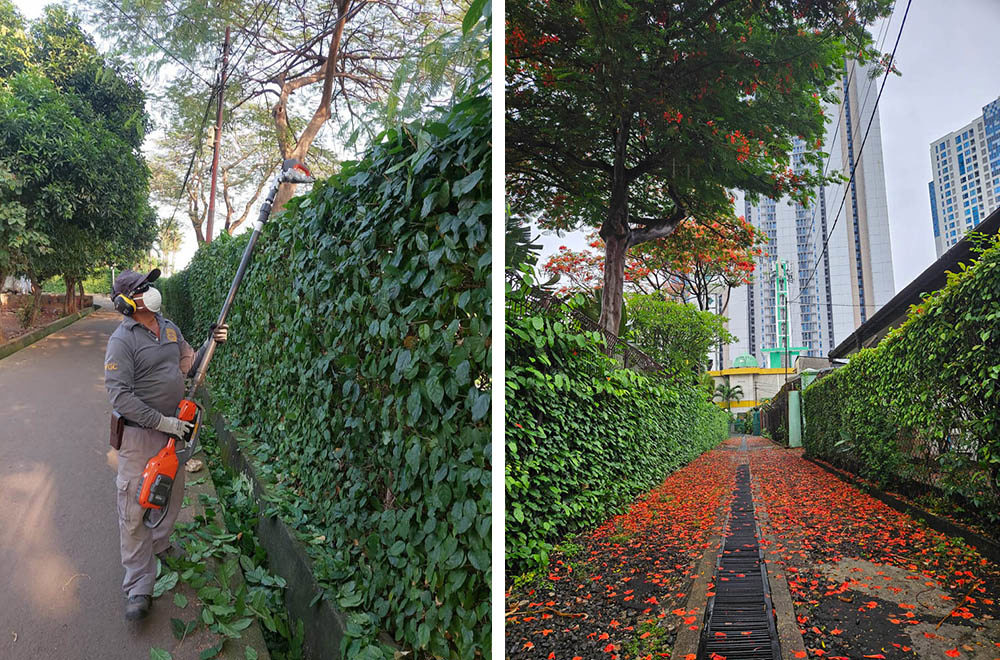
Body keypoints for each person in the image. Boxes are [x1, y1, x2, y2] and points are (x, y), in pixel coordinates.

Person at [103, 268, 228, 621]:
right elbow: (120, 397)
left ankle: (160, 545)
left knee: (171, 493)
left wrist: (210, 342)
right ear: (127, 302)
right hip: (140, 435)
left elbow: (189, 364)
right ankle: (139, 584)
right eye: (143, 288)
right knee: (135, 506)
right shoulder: (122, 341)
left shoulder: (169, 327)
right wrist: (162, 422)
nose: (151, 291)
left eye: (150, 285)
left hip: (176, 430)